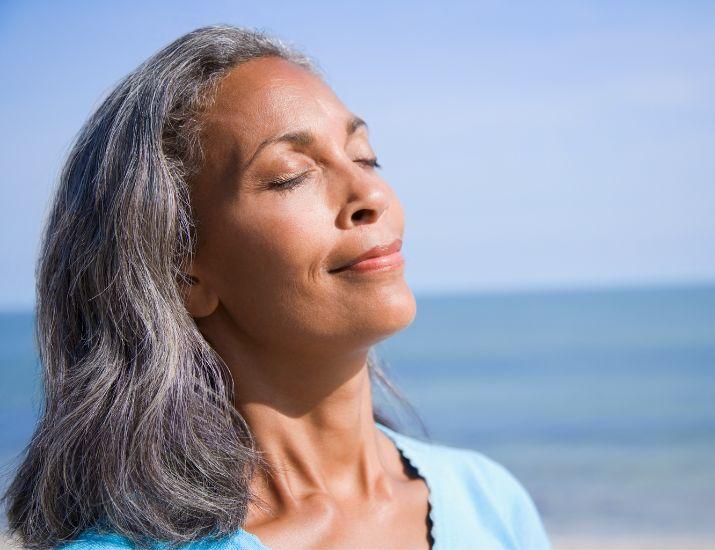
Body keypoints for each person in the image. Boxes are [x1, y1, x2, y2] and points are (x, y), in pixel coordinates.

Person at [2, 25, 552, 550]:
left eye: (365, 156)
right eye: (291, 174)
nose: (371, 194)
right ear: (180, 270)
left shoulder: (489, 502)